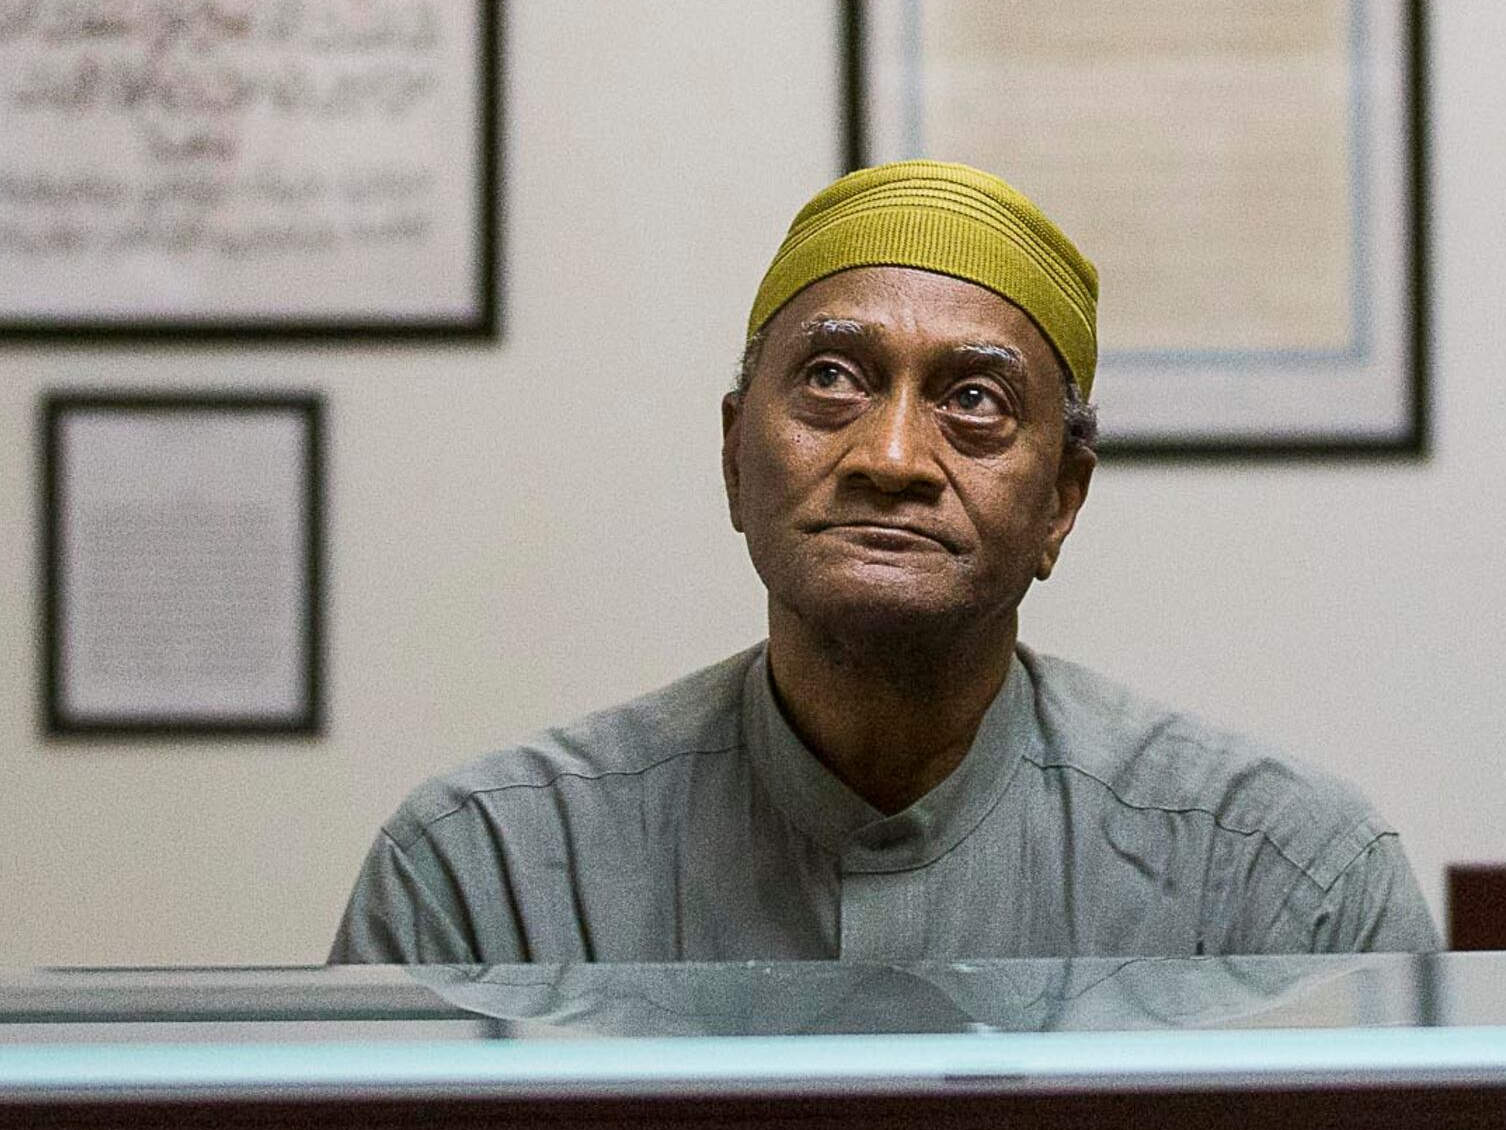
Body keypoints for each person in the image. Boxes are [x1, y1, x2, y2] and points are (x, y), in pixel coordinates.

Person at [329, 161, 1437, 963]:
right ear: (732, 453)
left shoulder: (1283, 885)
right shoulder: (489, 878)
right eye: (831, 381)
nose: (893, 455)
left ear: (1061, 501)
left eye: (974, 401)